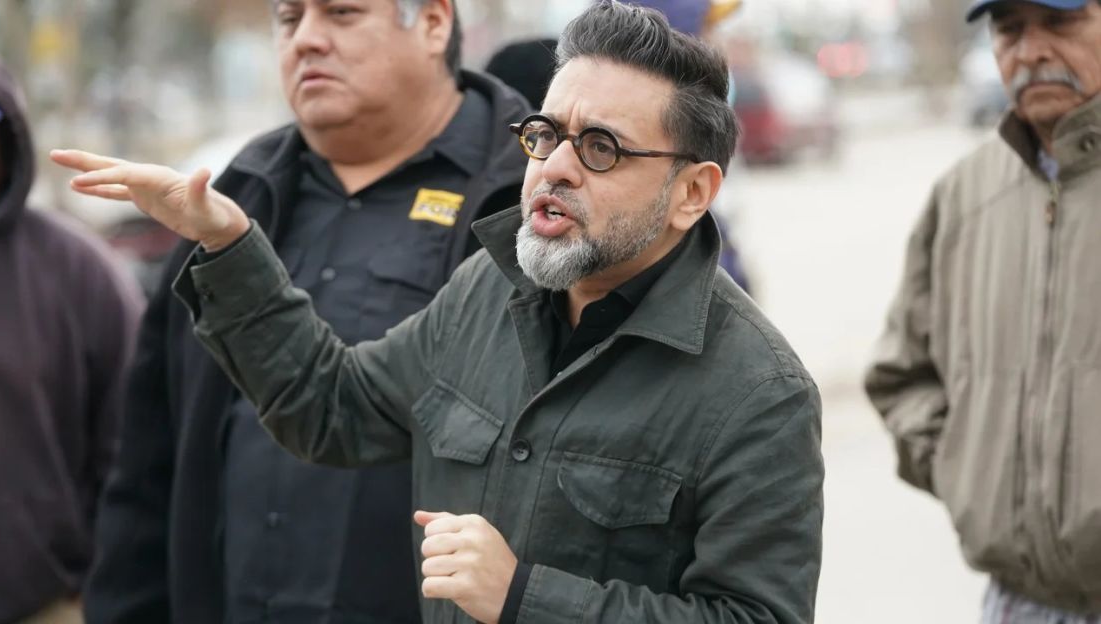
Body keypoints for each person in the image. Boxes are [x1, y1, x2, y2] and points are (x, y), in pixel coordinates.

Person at [54, 2, 824, 623]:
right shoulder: (485, 292)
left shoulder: (757, 392)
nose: (553, 166)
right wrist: (227, 241)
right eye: (546, 134)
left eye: (600, 149)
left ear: (691, 193)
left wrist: (525, 599)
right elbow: (331, 409)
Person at [79, 0, 529, 622]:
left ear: (432, 23)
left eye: (342, 13)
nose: (307, 40)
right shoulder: (230, 197)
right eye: (289, 19)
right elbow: (150, 463)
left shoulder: (526, 203)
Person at [865, 0, 1101, 620]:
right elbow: (901, 375)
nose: (1031, 51)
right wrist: (967, 471)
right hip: (1017, 603)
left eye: (1060, 22)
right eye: (1010, 29)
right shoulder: (964, 197)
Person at [0, 57, 143, 624]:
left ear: (9, 139)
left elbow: (134, 446)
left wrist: (100, 581)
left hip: (48, 604)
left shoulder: (78, 271)